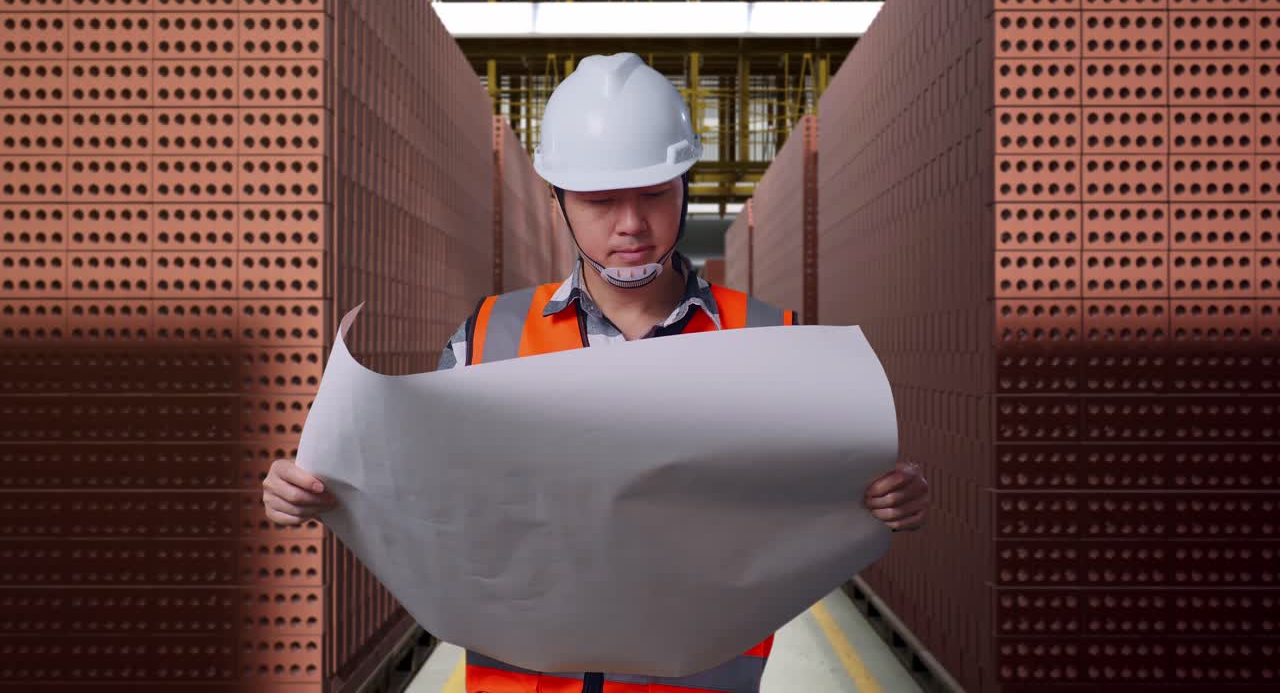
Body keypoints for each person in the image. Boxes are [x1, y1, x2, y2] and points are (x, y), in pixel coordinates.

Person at [263, 52, 930, 693]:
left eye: (653, 194)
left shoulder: (769, 344)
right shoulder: (487, 341)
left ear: (683, 186)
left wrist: (885, 505)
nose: (632, 224)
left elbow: (825, 502)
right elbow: (426, 504)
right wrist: (322, 494)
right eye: (600, 201)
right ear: (559, 202)